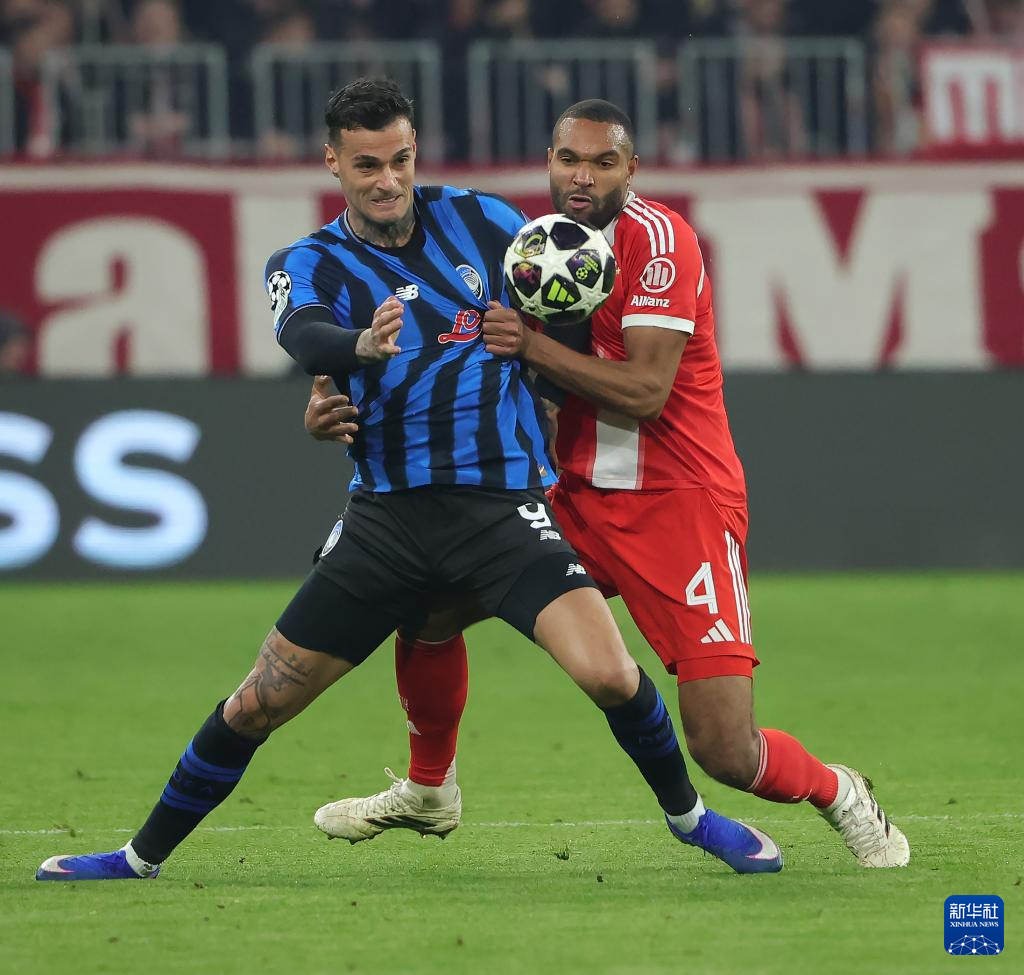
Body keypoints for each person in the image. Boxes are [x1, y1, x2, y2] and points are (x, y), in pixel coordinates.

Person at [36, 79, 781, 882]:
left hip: (503, 511)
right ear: (332, 162)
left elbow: (559, 324)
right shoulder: (306, 262)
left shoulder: (487, 223)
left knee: (608, 671)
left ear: (415, 150)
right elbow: (307, 338)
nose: (387, 180)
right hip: (387, 521)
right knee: (259, 700)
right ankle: (138, 857)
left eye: (399, 160)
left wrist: (544, 367)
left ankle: (692, 819)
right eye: (367, 166)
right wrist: (354, 356)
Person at [308, 98, 910, 869]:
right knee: (425, 606)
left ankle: (839, 791)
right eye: (569, 159)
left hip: (680, 507)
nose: (582, 177)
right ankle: (430, 790)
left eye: (602, 162)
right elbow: (457, 348)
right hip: (575, 500)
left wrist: (530, 347)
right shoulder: (532, 248)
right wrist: (333, 397)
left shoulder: (660, 243)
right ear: (549, 162)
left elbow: (646, 392)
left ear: (632, 168)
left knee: (726, 748)